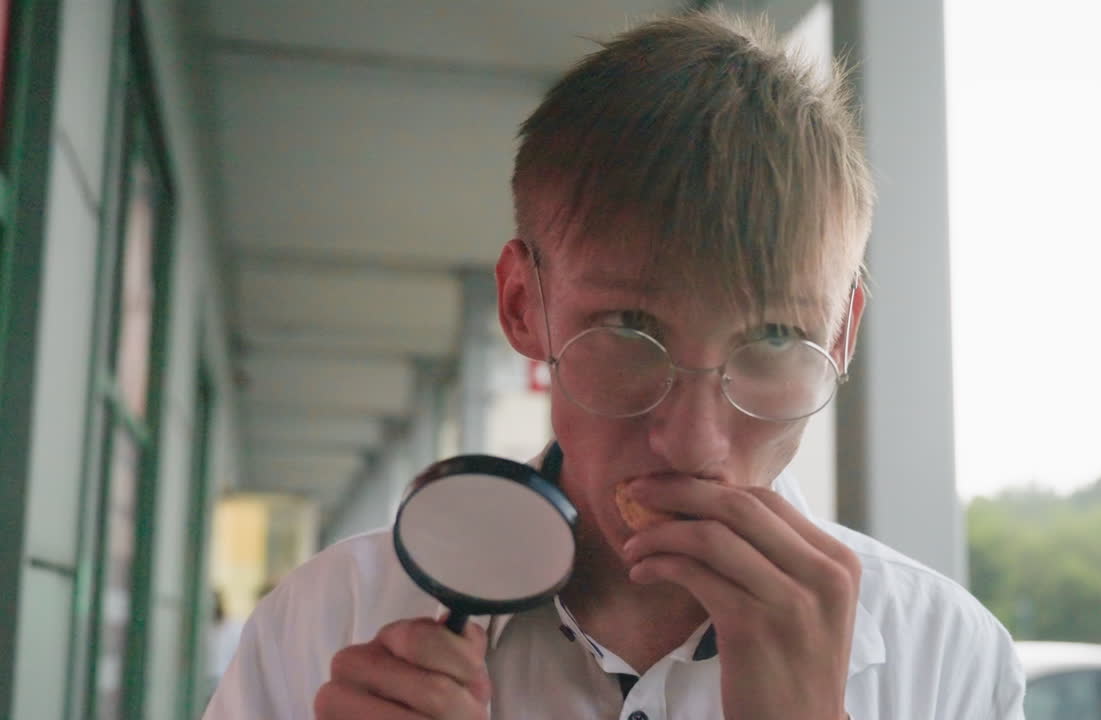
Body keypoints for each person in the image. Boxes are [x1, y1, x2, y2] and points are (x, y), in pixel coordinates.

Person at [204, 10, 1025, 720]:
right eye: (630, 328)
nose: (695, 445)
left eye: (776, 337)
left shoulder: (948, 659)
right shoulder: (328, 623)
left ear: (841, 338)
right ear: (524, 304)